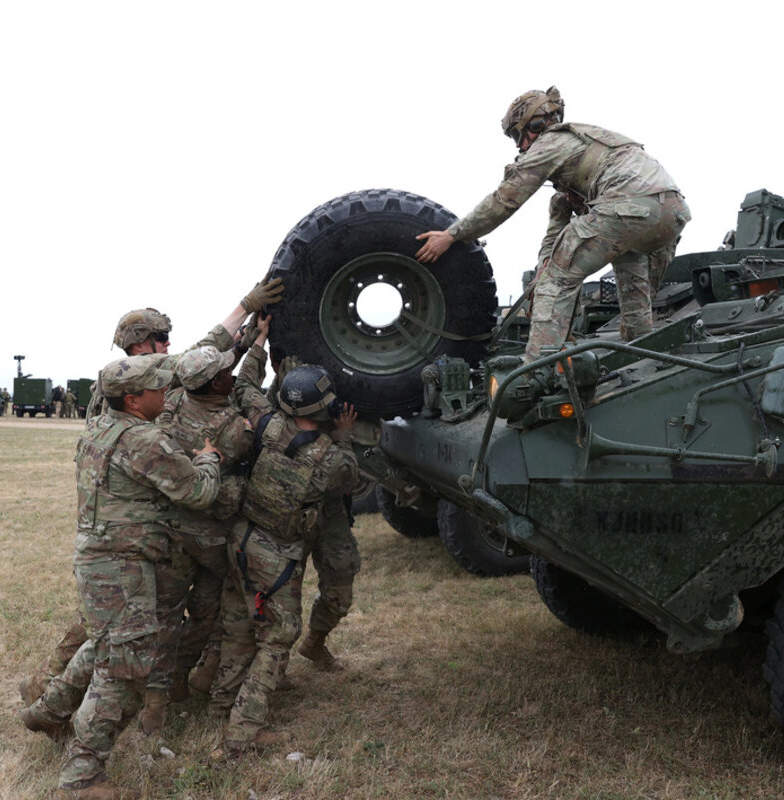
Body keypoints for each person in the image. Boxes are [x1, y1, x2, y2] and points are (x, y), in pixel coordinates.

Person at [19, 276, 284, 709]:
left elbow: (196, 361)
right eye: (161, 339)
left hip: (131, 522)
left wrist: (242, 337)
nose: (167, 345)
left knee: (110, 619)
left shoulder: (129, 383)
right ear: (141, 343)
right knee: (107, 624)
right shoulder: (132, 388)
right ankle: (49, 691)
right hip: (127, 527)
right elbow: (191, 364)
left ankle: (58, 688)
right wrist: (244, 309)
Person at [20, 355, 223, 800]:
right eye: (157, 388)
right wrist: (208, 459)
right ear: (133, 400)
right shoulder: (145, 440)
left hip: (99, 559)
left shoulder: (99, 426)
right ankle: (82, 777)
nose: (165, 392)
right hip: (122, 567)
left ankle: (48, 712)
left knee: (104, 646)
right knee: (126, 672)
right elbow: (199, 492)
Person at [415, 86, 691, 358]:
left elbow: (504, 201)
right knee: (635, 300)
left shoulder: (551, 142)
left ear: (534, 124)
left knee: (556, 282)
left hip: (625, 207)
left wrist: (452, 235)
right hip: (670, 215)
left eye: (517, 135)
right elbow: (557, 231)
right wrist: (543, 267)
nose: (520, 146)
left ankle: (536, 368)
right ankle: (641, 354)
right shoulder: (590, 142)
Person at [208, 316, 360, 754]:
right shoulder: (332, 458)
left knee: (239, 625)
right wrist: (345, 437)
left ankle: (220, 705)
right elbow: (351, 478)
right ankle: (243, 732)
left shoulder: (266, 423)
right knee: (278, 635)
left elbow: (244, 387)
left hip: (241, 539)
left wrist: (257, 342)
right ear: (327, 409)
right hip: (276, 556)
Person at [136, 344, 253, 733]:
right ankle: (186, 672)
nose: (231, 374)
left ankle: (157, 700)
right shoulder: (234, 428)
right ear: (214, 383)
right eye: (225, 372)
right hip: (212, 538)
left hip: (171, 531)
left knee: (166, 615)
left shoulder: (171, 406)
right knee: (209, 610)